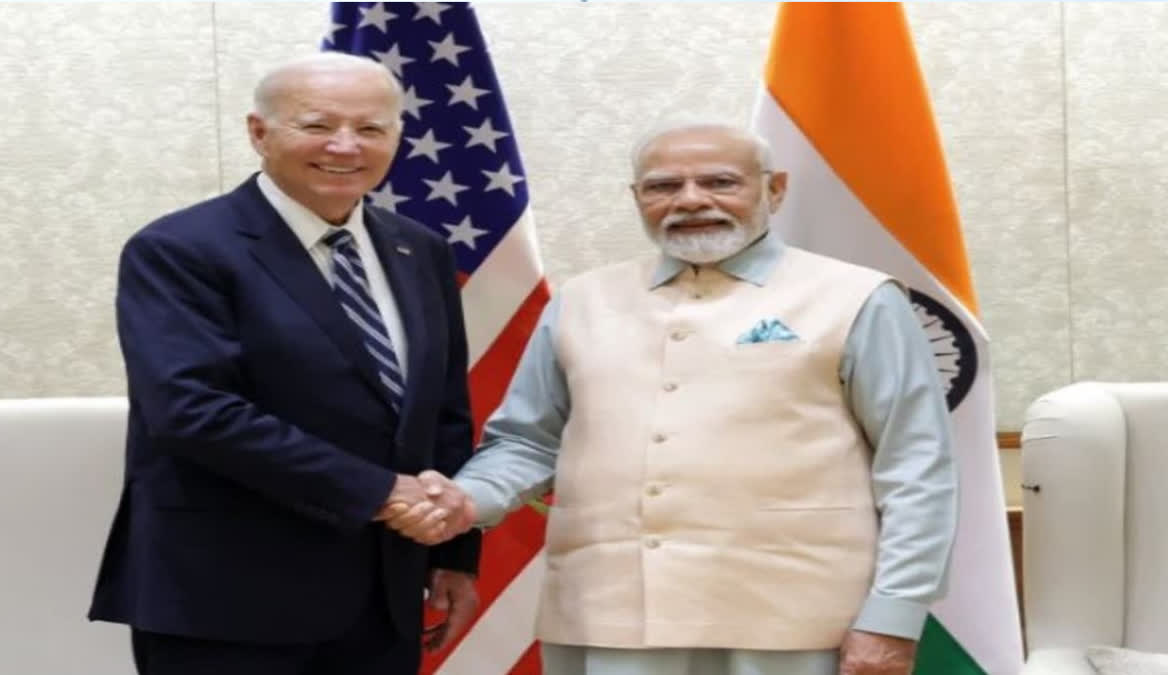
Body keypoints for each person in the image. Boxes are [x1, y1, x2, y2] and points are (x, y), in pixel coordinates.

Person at [383, 121, 958, 675]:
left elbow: (916, 466)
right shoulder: (582, 300)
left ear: (774, 190)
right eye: (662, 186)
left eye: (720, 182)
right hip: (611, 620)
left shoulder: (857, 298)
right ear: (637, 197)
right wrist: (464, 499)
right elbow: (527, 442)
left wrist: (894, 616)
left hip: (796, 623)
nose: (690, 200)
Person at [88, 52, 481, 675]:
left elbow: (444, 410)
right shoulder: (180, 249)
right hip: (226, 598)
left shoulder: (418, 249)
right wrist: (381, 492)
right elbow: (192, 412)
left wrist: (455, 553)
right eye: (318, 125)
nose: (346, 147)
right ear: (258, 132)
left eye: (372, 129)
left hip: (383, 598)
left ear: (397, 138)